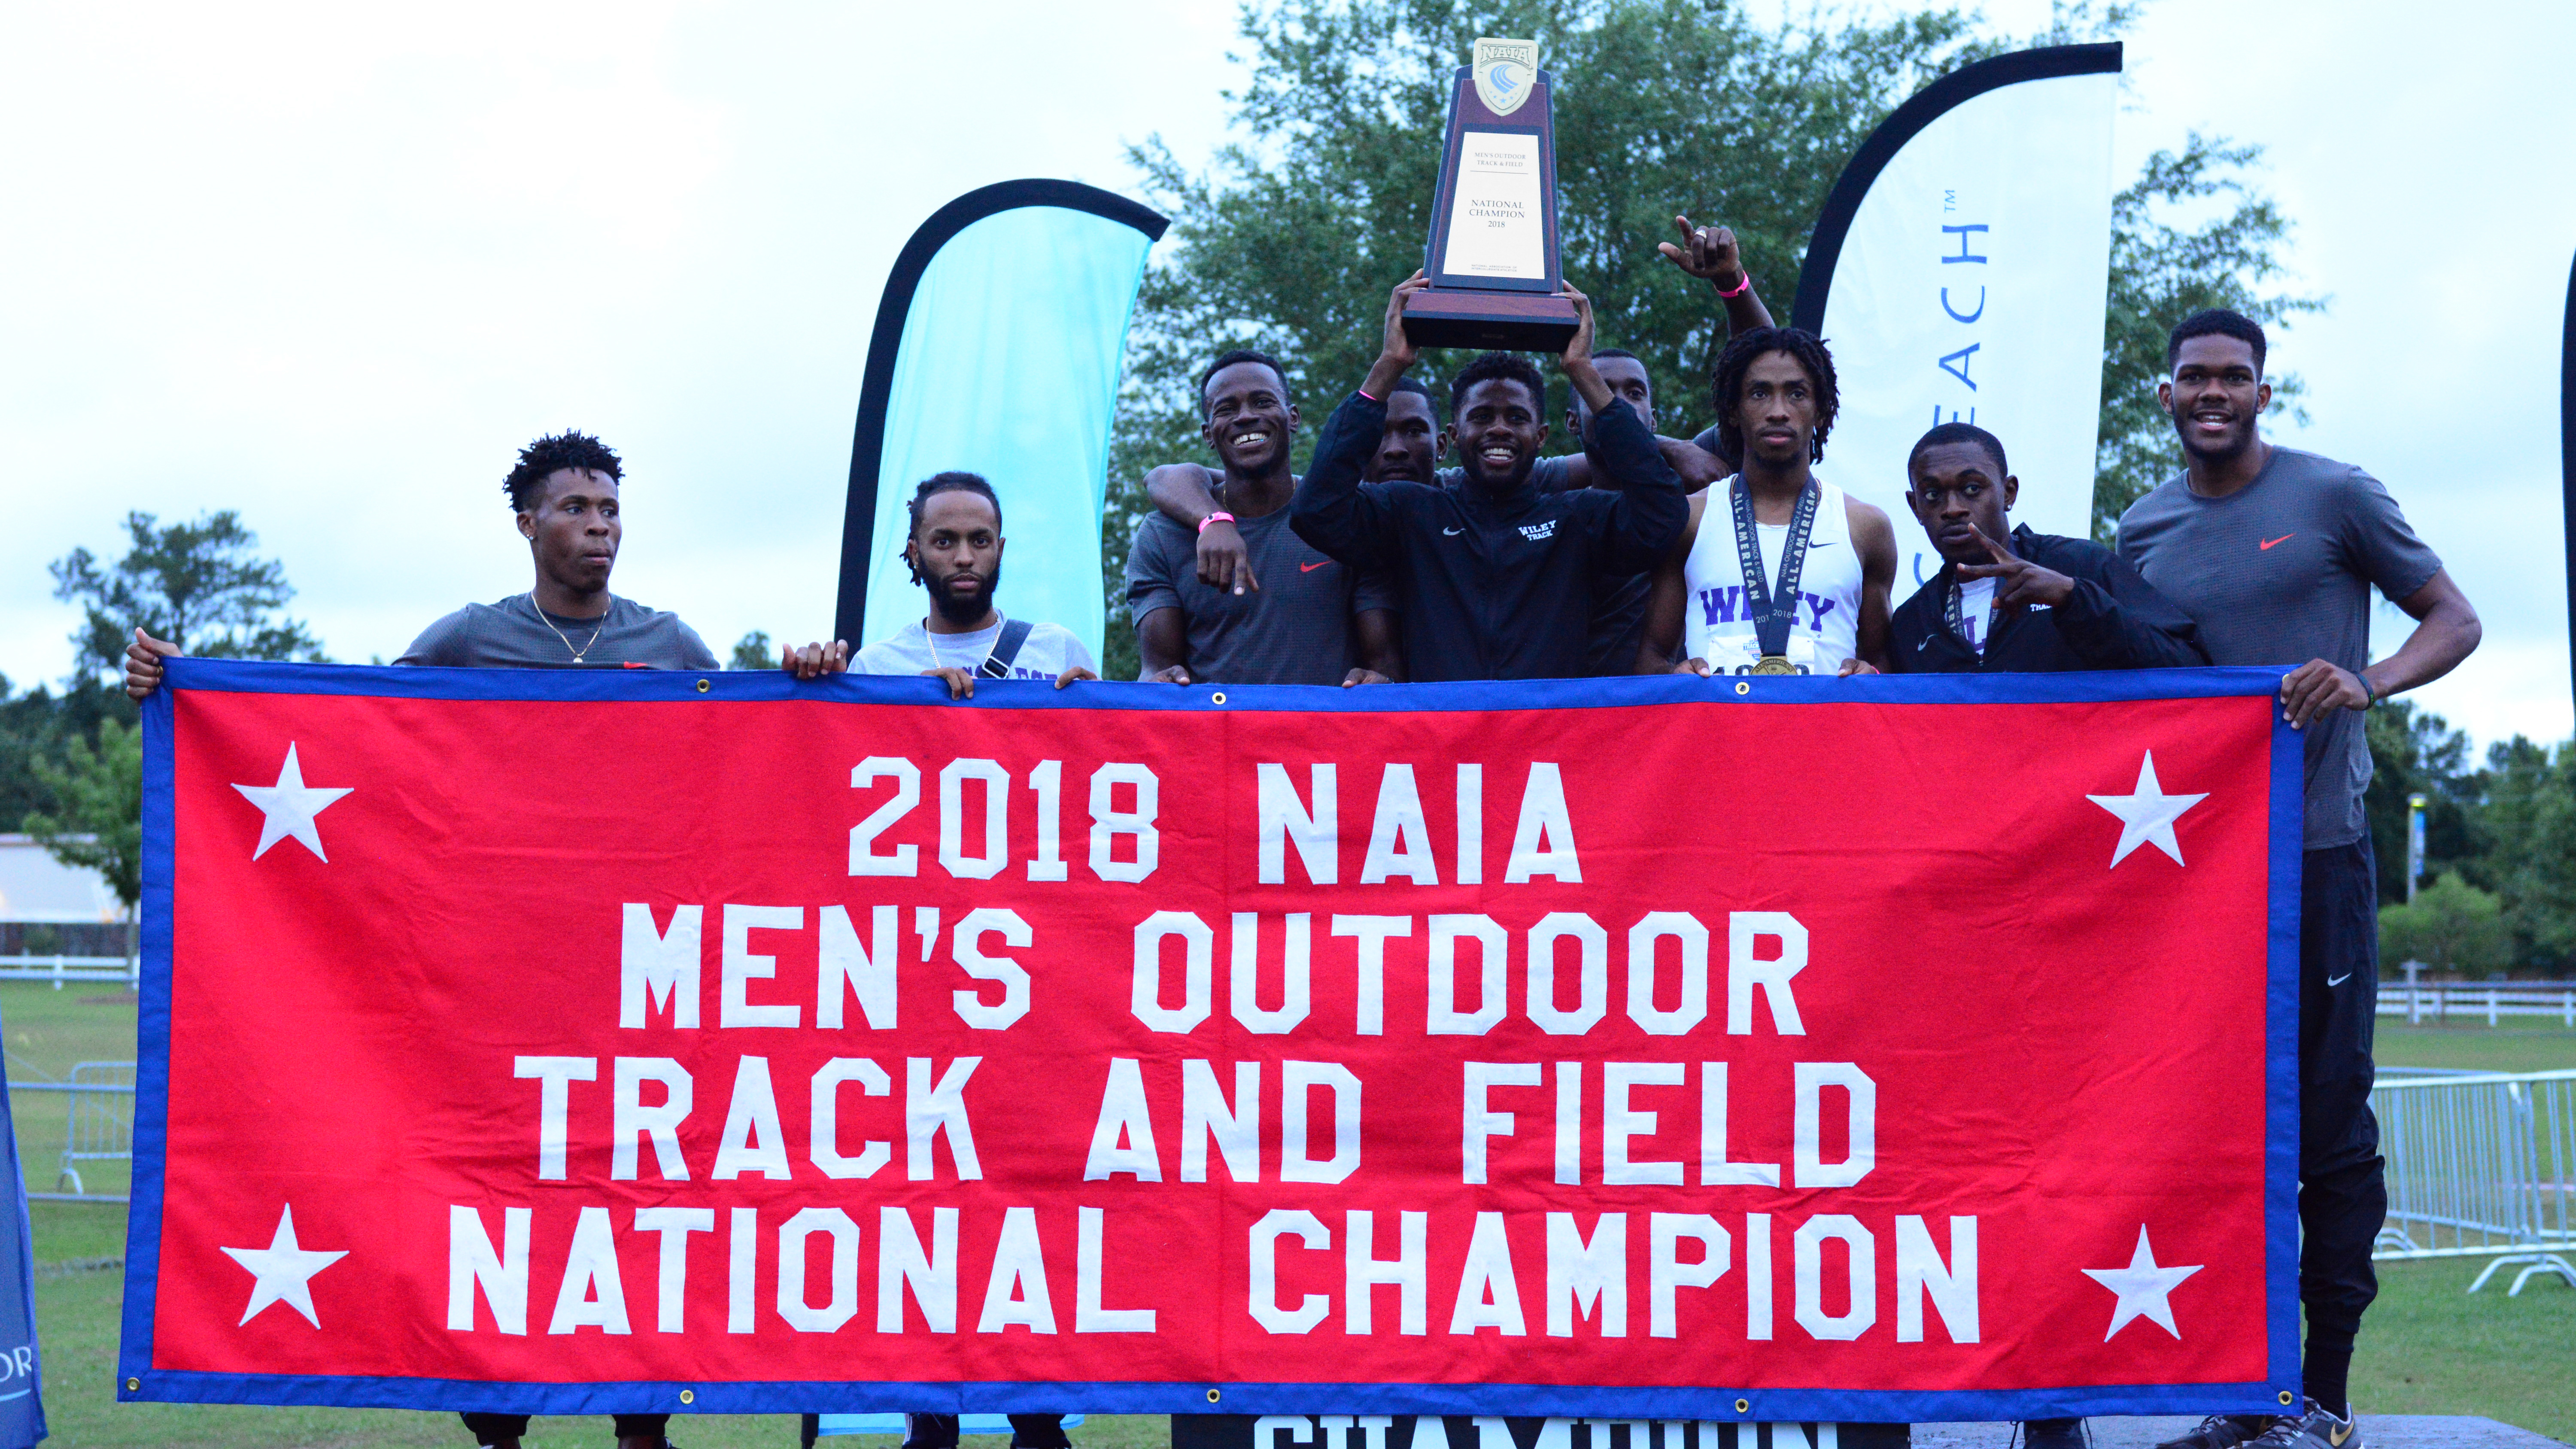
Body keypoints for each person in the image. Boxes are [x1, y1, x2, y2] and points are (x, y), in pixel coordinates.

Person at [126, 429, 774, 1449]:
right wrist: (186, 689)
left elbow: (758, 761)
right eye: (574, 509)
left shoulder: (675, 644)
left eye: (609, 510)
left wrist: (819, 678)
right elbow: (356, 728)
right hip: (501, 993)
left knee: (637, 1220)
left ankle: (643, 1428)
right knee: (495, 1208)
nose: (597, 528)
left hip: (638, 990)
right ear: (526, 523)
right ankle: (497, 1423)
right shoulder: (472, 639)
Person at [2117, 310, 2480, 1449]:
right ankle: (2241, 1389)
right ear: (2165, 393)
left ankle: (2321, 1393)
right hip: (2189, 879)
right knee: (2214, 1134)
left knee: (2326, 1126)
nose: (2213, 391)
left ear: (2264, 392)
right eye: (2194, 376)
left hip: (2315, 855)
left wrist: (2367, 678)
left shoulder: (2337, 496)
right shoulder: (2141, 525)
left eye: (2236, 376)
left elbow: (2456, 619)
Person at [1287, 271, 1687, 681]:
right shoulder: (1412, 513)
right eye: (1482, 417)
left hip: (1550, 737)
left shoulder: (1577, 518)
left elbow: (1663, 517)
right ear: (1455, 434)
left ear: (1541, 436)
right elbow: (1316, 510)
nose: (1499, 429)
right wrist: (1388, 366)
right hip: (1446, 737)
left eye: (1517, 417)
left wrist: (1584, 372)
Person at [1123, 349, 1403, 685]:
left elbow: (1385, 665)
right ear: (1209, 434)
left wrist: (1376, 683)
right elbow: (1157, 672)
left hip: (1327, 734)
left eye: (1262, 402)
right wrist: (1214, 522)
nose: (1245, 417)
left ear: (1293, 418)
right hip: (1218, 735)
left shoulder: (1348, 518)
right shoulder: (1163, 534)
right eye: (1226, 409)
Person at [1636, 326, 1896, 676]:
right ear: (1732, 410)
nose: (1778, 411)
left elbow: (1886, 662)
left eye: (1797, 394)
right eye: (1759, 394)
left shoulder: (1865, 526)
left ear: (1820, 411)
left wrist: (1871, 674)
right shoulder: (1690, 519)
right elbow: (1650, 658)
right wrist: (1674, 678)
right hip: (1716, 730)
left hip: (1826, 730)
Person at [1886, 421, 2206, 672]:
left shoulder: (2080, 566)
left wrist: (2074, 600)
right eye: (1932, 495)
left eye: (1972, 488)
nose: (1952, 508)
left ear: (2008, 493)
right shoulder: (1911, 622)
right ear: (1915, 507)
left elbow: (2188, 665)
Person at [854, 471, 1098, 699]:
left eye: (980, 541)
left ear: (999, 550)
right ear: (915, 553)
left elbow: (1098, 744)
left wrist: (1095, 714)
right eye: (944, 542)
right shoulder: (875, 668)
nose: (964, 558)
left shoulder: (1059, 649)